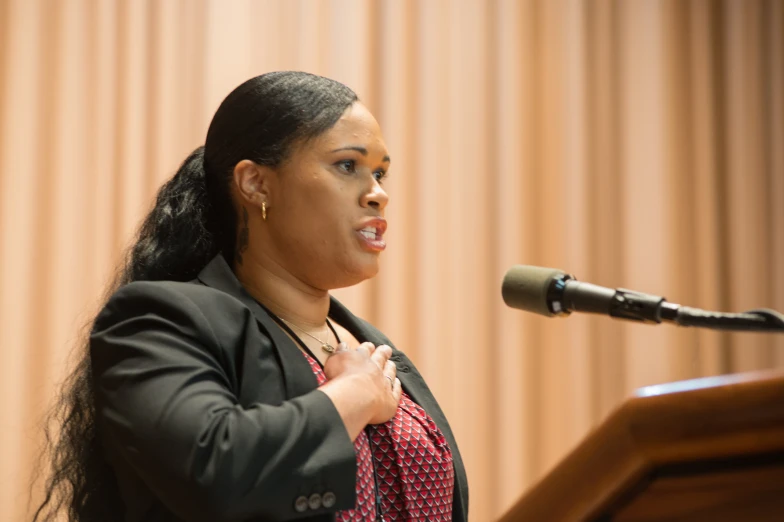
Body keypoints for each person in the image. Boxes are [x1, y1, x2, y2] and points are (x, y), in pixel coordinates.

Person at [34, 71, 468, 522]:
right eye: (347, 166)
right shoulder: (161, 320)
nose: (378, 194)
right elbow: (214, 472)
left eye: (380, 173)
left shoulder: (368, 342)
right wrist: (354, 394)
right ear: (256, 184)